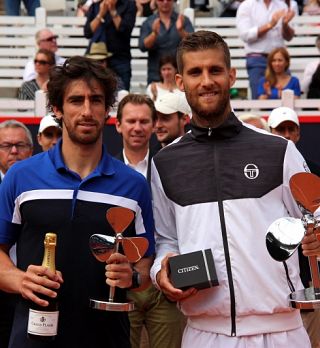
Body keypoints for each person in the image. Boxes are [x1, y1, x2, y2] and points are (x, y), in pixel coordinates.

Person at [150, 30, 320, 348]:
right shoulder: (165, 162)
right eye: (195, 72)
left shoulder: (279, 150)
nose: (206, 81)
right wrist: (162, 272)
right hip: (204, 334)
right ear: (179, 81)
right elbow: (166, 240)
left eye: (215, 70)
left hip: (281, 331)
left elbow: (315, 217)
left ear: (231, 75)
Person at [0, 56, 155, 348]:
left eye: (96, 100)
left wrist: (132, 276)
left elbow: (145, 261)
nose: (87, 111)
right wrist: (20, 280)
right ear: (57, 108)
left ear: (107, 109)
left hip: (107, 338)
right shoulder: (21, 177)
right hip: (34, 335)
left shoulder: (133, 185)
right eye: (76, 100)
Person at [115, 93, 185, 348]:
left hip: (164, 277)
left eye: (144, 121)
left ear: (154, 124)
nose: (137, 127)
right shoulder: (107, 171)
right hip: (123, 279)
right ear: (118, 124)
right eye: (131, 121)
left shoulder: (169, 167)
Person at [267, 106, 320, 348]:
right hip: (272, 275)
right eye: (281, 130)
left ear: (298, 134)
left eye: (291, 129)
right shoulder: (262, 174)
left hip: (308, 274)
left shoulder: (315, 171)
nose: (287, 135)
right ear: (270, 132)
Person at [0, 120, 33, 348]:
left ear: (31, 150)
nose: (13, 151)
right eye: (5, 145)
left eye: (20, 145)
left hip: (34, 283)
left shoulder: (44, 188)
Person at [236, 0, 295, 99]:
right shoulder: (246, 5)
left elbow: (289, 37)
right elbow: (245, 35)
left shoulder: (281, 5)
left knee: (286, 100)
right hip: (257, 59)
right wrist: (270, 25)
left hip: (279, 59)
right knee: (259, 99)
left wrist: (285, 24)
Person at [84, 0, 137, 91]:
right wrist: (100, 14)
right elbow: (88, 32)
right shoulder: (95, 6)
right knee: (95, 89)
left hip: (120, 58)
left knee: (122, 93)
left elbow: (124, 30)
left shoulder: (129, 4)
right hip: (98, 57)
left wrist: (112, 10)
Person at [139, 0, 194, 84]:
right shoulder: (148, 22)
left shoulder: (183, 20)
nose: (165, 2)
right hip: (155, 76)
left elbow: (193, 43)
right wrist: (154, 34)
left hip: (179, 75)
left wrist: (181, 30)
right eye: (161, 0)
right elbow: (142, 47)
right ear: (156, 1)